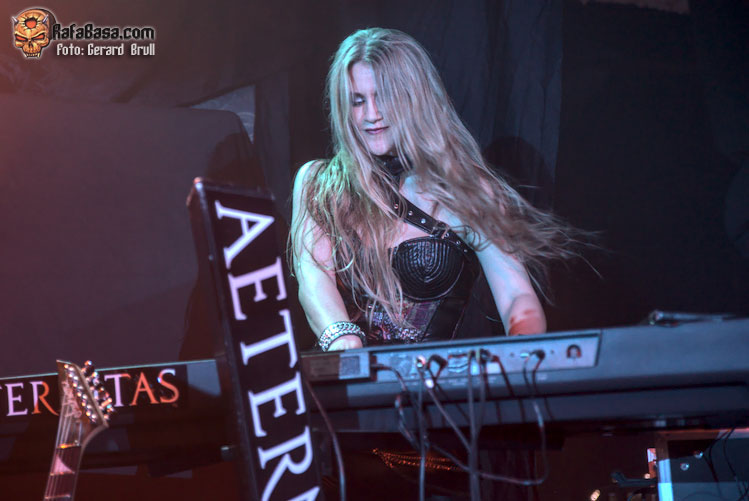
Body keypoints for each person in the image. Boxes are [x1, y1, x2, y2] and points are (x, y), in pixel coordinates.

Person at [290, 28, 578, 352]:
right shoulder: (319, 184)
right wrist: (346, 346)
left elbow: (516, 297)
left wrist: (523, 358)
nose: (371, 115)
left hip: (436, 381)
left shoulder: (465, 187)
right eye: (358, 101)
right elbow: (313, 279)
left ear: (415, 98)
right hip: (346, 375)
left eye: (384, 97)